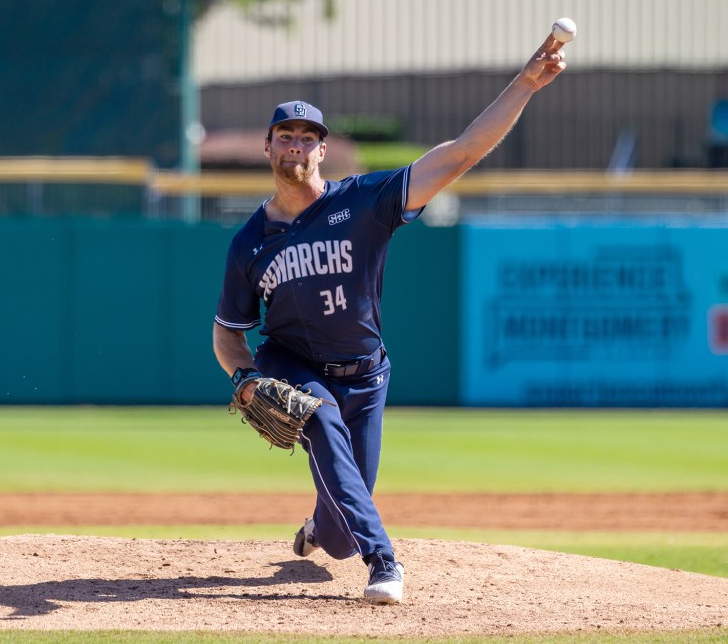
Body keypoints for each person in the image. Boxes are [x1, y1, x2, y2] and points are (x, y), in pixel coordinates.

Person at [212, 39, 567, 604]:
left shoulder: (365, 202)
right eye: (286, 136)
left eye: (309, 138)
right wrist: (245, 377)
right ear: (268, 147)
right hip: (293, 364)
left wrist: (524, 83)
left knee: (335, 539)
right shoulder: (248, 243)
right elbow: (229, 331)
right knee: (320, 420)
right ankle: (386, 562)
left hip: (367, 376)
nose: (297, 145)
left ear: (323, 151)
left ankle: (319, 530)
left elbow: (461, 153)